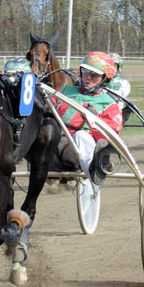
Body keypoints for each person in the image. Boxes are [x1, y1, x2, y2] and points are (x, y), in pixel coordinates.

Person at [52, 51, 123, 186]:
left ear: (105, 78)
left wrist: (92, 121)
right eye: (85, 72)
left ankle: (93, 174)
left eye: (94, 75)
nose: (88, 77)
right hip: (58, 142)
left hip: (82, 144)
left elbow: (111, 135)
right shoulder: (65, 91)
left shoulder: (110, 105)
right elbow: (48, 105)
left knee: (82, 136)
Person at [106, 52, 132, 122]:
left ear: (119, 68)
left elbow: (118, 96)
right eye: (108, 66)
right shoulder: (98, 80)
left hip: (115, 115)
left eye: (114, 66)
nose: (111, 69)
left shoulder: (123, 83)